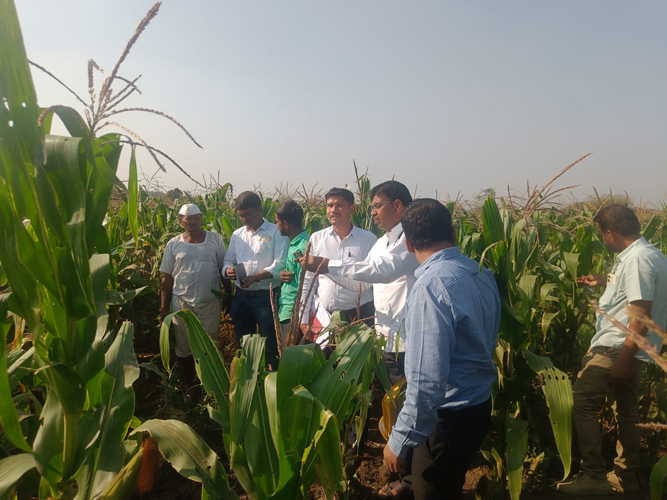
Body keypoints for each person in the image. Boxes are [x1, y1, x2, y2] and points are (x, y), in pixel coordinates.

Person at [383, 199, 501, 500]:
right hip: (478, 405)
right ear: (453, 232)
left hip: (447, 419)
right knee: (450, 483)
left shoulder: (430, 287)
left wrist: (400, 440)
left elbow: (427, 381)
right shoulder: (480, 271)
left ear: (408, 244)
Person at [557, 204, 667, 495]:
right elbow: (638, 290)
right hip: (629, 349)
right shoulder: (648, 254)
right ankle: (625, 477)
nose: (602, 239)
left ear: (610, 233)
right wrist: (605, 281)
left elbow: (641, 315)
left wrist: (622, 361)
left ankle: (593, 476)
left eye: (601, 233)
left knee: (583, 402)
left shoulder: (637, 260)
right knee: (627, 412)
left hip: (617, 348)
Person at [302, 180, 418, 382]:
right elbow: (360, 285)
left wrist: (327, 265)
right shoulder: (381, 243)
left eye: (378, 206)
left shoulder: (412, 238)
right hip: (385, 338)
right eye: (372, 207)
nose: (372, 212)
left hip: (407, 338)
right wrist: (323, 269)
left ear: (398, 205)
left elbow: (383, 271)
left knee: (407, 392)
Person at [159, 203, 226, 392]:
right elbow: (166, 277)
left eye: (196, 218)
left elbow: (223, 268)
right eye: (188, 219)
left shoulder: (214, 239)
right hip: (181, 304)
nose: (193, 222)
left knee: (210, 345)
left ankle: (210, 386)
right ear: (181, 221)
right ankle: (191, 385)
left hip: (209, 303)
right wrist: (164, 308)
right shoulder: (173, 244)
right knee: (184, 346)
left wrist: (227, 296)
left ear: (201, 219)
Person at [222, 191, 288, 370]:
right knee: (245, 345)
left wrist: (257, 277)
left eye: (249, 214)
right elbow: (228, 260)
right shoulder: (237, 235)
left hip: (266, 297)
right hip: (241, 297)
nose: (245, 219)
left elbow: (280, 264)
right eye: (241, 216)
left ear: (260, 209)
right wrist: (228, 270)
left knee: (270, 345)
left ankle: (271, 378)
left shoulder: (276, 232)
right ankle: (250, 378)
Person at [299, 187, 377, 335]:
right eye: (329, 206)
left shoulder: (369, 240)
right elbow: (308, 280)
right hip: (326, 316)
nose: (333, 210)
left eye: (340, 205)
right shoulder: (317, 238)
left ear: (352, 209)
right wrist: (303, 318)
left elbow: (373, 277)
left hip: (361, 316)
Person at [274, 199, 310, 342]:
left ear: (286, 224)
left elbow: (305, 285)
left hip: (294, 312)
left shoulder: (302, 248)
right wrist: (282, 273)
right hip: (289, 310)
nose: (276, 226)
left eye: (277, 222)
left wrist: (298, 317)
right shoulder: (295, 243)